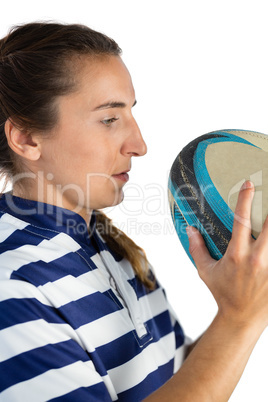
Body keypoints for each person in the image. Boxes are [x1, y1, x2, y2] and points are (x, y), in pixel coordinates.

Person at [0, 22, 267, 402]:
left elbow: (175, 377)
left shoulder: (110, 245)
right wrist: (239, 320)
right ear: (26, 138)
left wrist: (247, 299)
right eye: (109, 119)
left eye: (130, 114)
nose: (139, 145)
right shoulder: (11, 285)